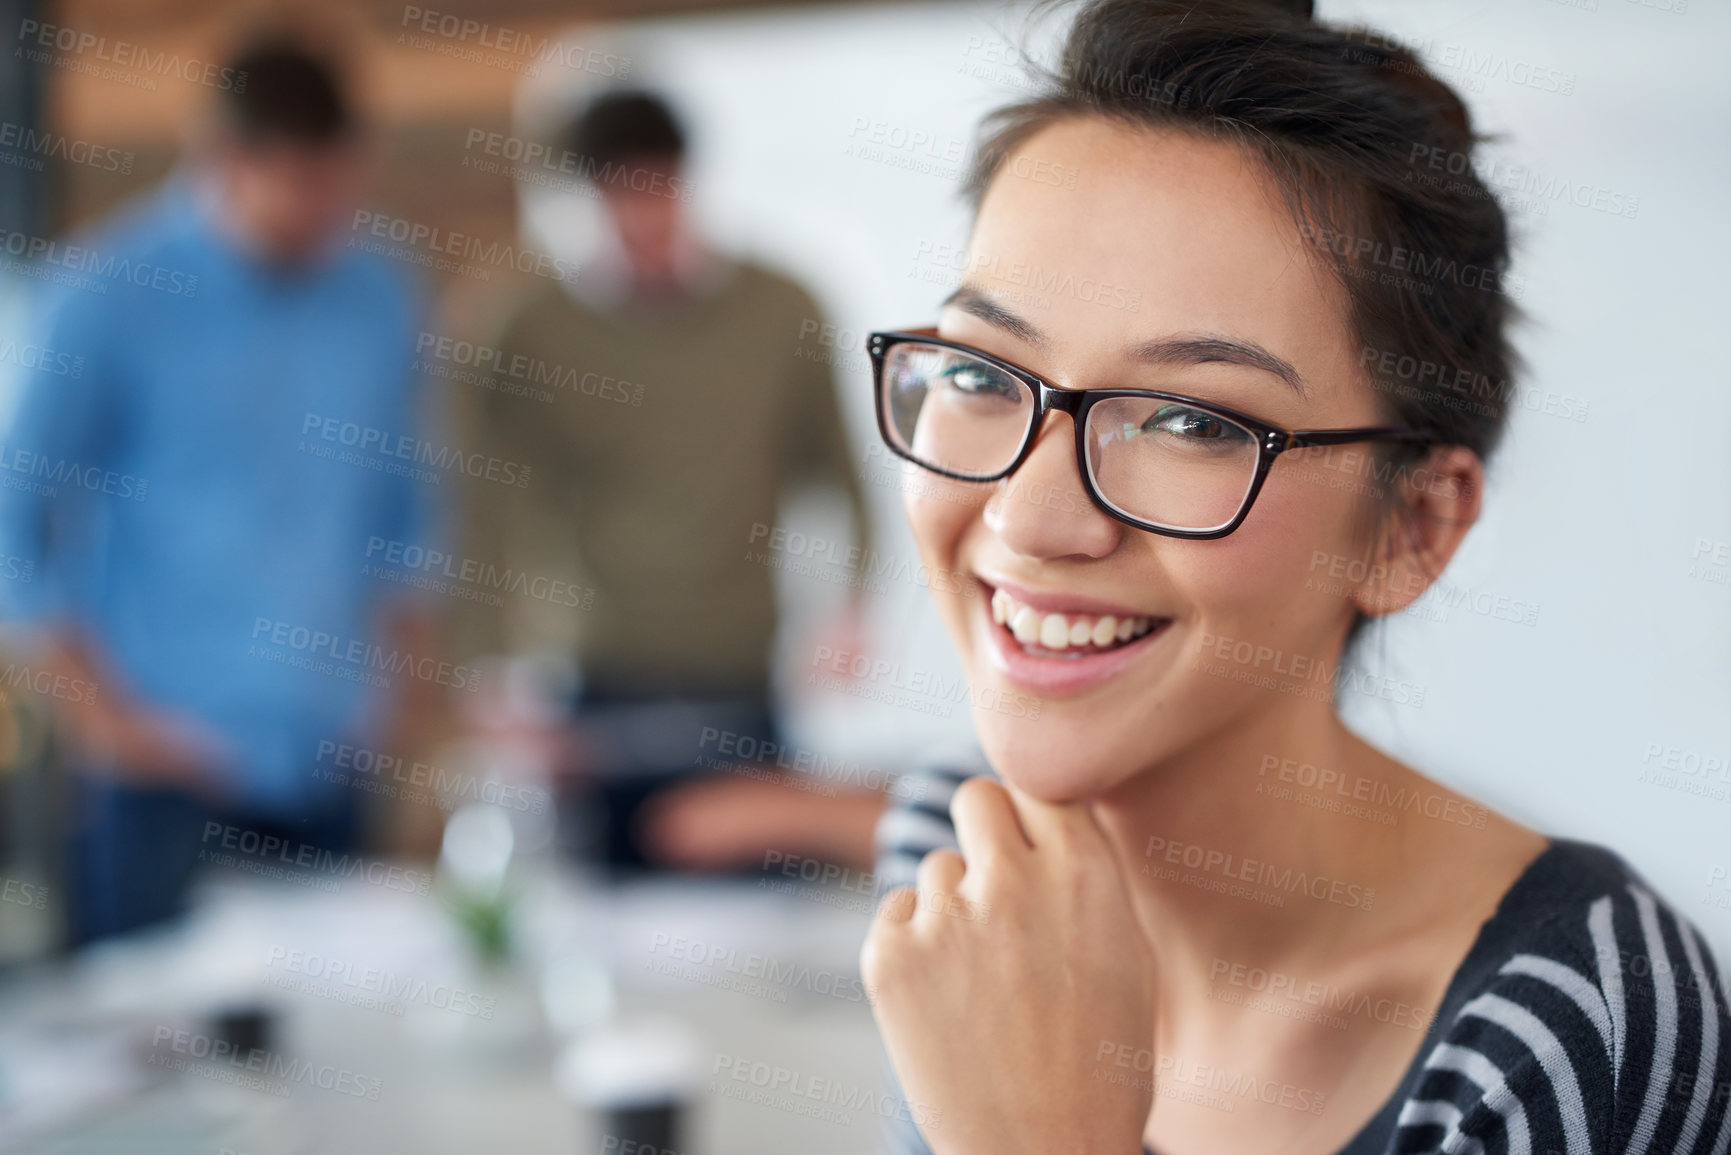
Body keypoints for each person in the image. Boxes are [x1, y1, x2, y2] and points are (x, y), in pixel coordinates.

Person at [860, 2, 1731, 1153]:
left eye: (1188, 418)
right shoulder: (960, 851)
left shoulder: (1581, 1028)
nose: (1032, 517)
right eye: (983, 373)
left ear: (1412, 527)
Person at [0, 33, 440, 945]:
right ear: (223, 159)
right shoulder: (104, 292)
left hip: (331, 753)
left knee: (336, 1048)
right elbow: (15, 511)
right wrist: (101, 717)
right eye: (299, 188)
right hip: (167, 763)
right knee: (160, 1058)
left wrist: (400, 694)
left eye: (339, 184)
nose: (324, 213)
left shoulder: (381, 290)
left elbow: (405, 509)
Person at [453, 91, 883, 874]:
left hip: (741, 674)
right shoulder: (526, 325)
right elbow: (481, 507)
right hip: (594, 681)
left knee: (757, 920)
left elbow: (843, 474)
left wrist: (849, 607)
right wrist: (490, 676)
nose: (643, 217)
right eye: (620, 195)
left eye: (657, 188)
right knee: (606, 921)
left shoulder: (781, 309)